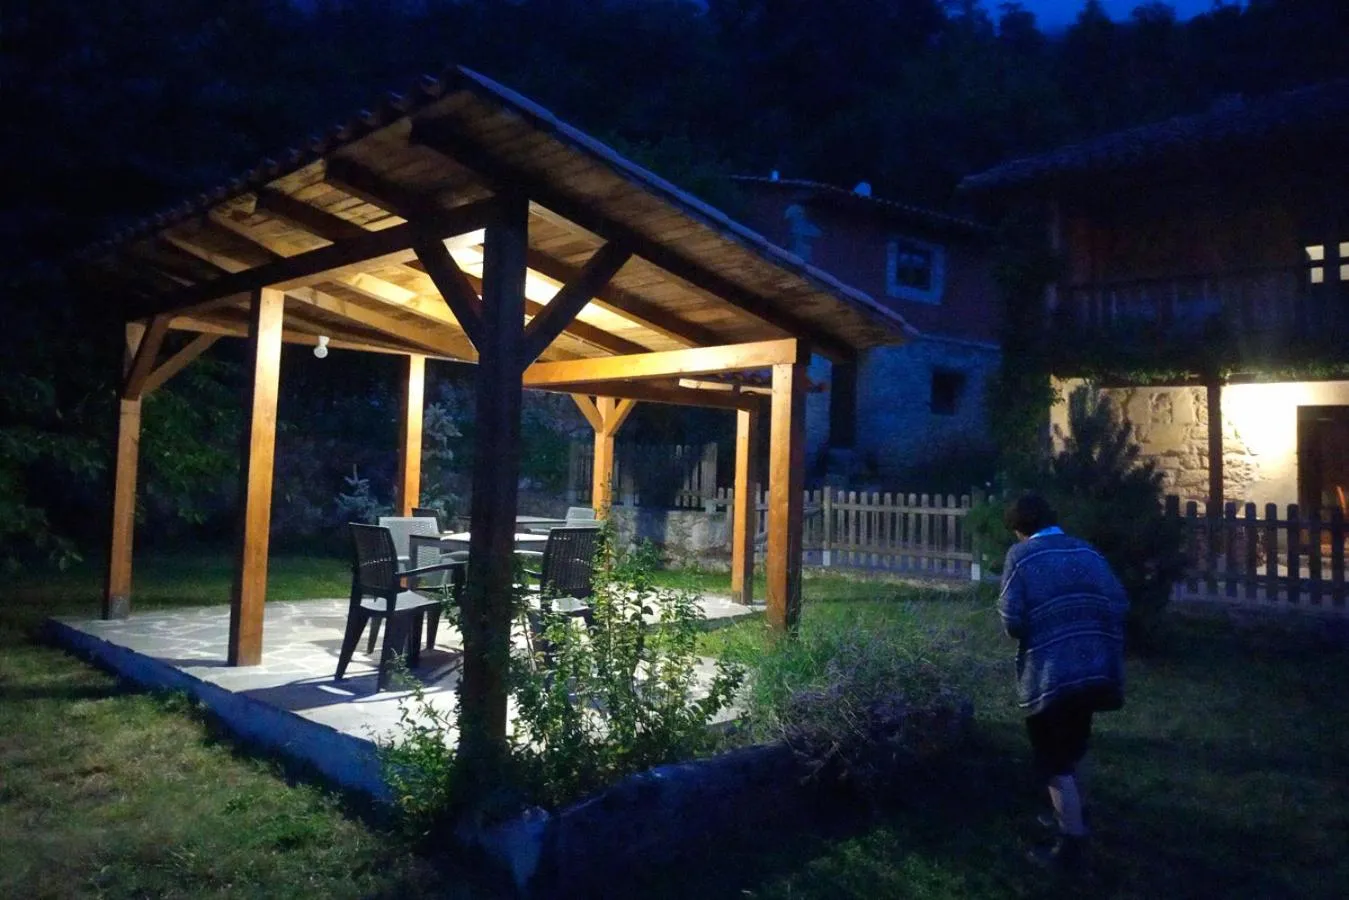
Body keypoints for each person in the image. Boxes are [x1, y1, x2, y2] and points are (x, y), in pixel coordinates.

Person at [997, 492, 1129, 871]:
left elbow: (1012, 619)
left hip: (1053, 672)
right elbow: (1119, 601)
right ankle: (1075, 811)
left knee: (1053, 757)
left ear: (1020, 529)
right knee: (1076, 742)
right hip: (1097, 665)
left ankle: (1071, 842)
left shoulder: (1020, 557)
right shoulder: (1087, 550)